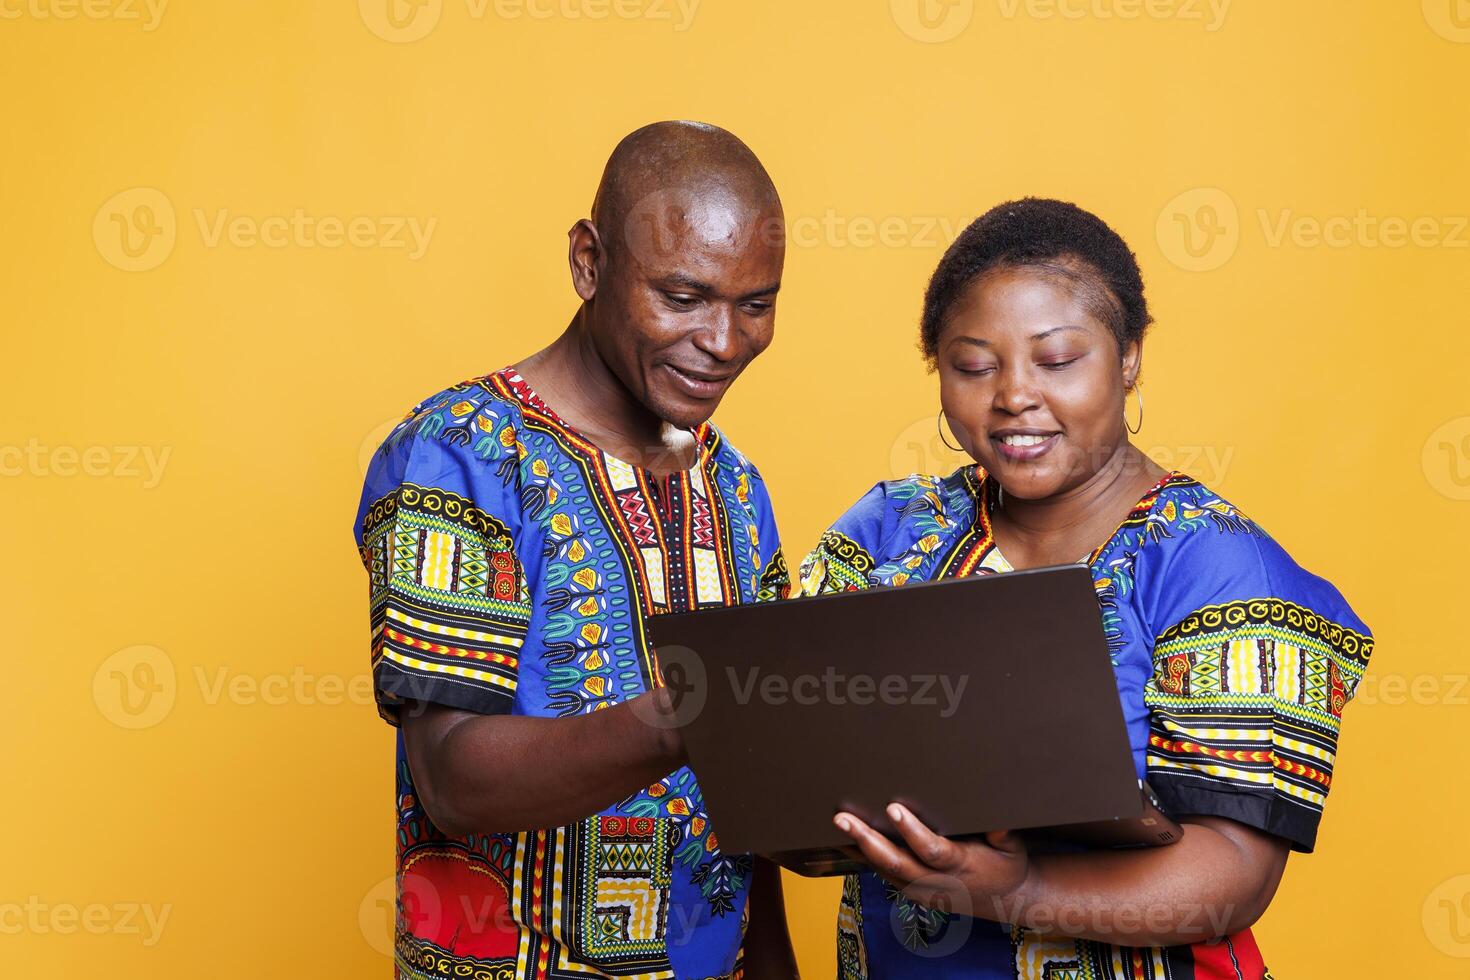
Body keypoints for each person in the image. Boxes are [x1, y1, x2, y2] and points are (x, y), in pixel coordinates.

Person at [798, 198, 1373, 978]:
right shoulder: (888, 533)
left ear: (1129, 355)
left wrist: (1017, 888)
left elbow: (1235, 874)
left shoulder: (1218, 568)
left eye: (1058, 360)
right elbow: (793, 779)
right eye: (973, 365)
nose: (1013, 396)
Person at [353, 121, 799, 979]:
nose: (723, 341)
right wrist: (681, 718)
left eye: (756, 304)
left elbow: (760, 781)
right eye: (683, 296)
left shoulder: (736, 488)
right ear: (589, 262)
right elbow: (451, 780)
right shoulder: (461, 458)